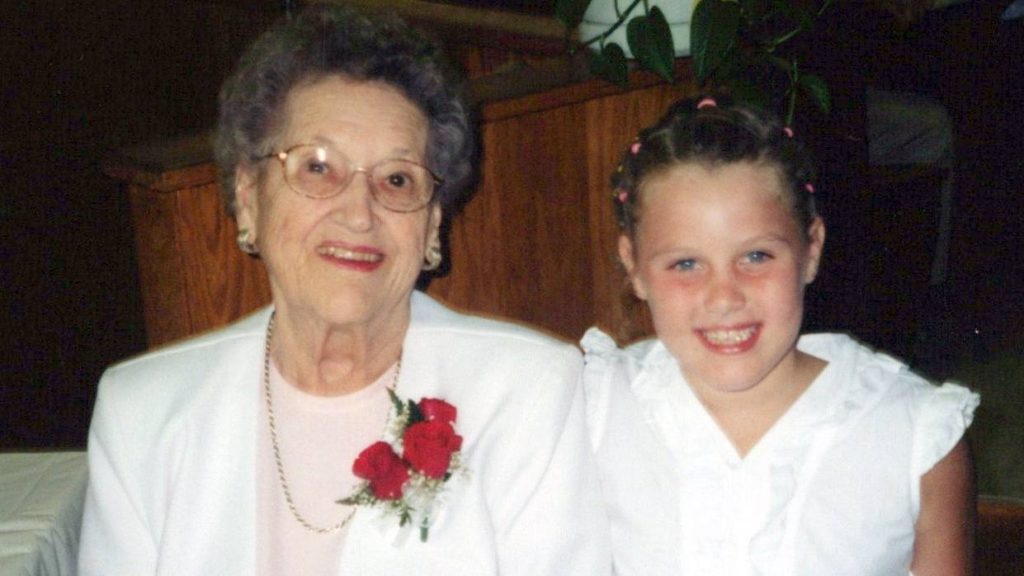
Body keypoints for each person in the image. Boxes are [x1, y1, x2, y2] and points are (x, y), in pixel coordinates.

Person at [79, 5, 610, 575]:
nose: (359, 214)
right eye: (318, 168)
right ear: (250, 198)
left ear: (431, 226)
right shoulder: (142, 412)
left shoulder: (528, 393)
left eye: (398, 179)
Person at [581, 95, 979, 575]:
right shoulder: (595, 409)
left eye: (756, 257)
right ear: (634, 267)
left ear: (812, 249)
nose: (724, 297)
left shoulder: (916, 435)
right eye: (686, 264)